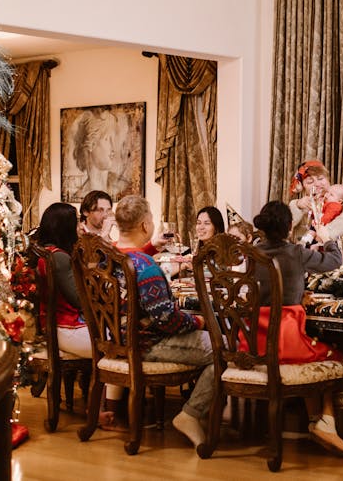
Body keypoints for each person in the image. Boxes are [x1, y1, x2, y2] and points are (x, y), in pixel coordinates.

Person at [249, 200, 343, 456]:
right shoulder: (295, 252)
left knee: (311, 357)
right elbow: (334, 261)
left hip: (254, 339)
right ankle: (326, 423)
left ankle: (314, 421)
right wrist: (328, 238)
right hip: (286, 337)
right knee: (335, 357)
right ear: (288, 227)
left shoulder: (253, 253)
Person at [110, 194, 215, 449]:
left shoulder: (109, 256)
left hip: (117, 338)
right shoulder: (145, 267)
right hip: (148, 344)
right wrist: (198, 322)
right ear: (146, 225)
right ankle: (190, 414)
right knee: (223, 348)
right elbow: (166, 319)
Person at [32, 202, 90, 358]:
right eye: (77, 221)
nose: (81, 225)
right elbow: (79, 299)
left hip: (54, 328)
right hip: (68, 330)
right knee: (125, 340)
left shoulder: (47, 253)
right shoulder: (59, 257)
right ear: (66, 227)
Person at [287, 160, 343, 261]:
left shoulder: (340, 196)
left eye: (321, 178)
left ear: (328, 179)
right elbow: (286, 229)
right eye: (310, 182)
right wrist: (297, 206)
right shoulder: (300, 204)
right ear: (303, 187)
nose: (317, 184)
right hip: (309, 265)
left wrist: (321, 235)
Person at [66, 110, 130, 201]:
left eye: (113, 140)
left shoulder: (123, 187)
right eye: (107, 140)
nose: (113, 149)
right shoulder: (79, 194)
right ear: (91, 145)